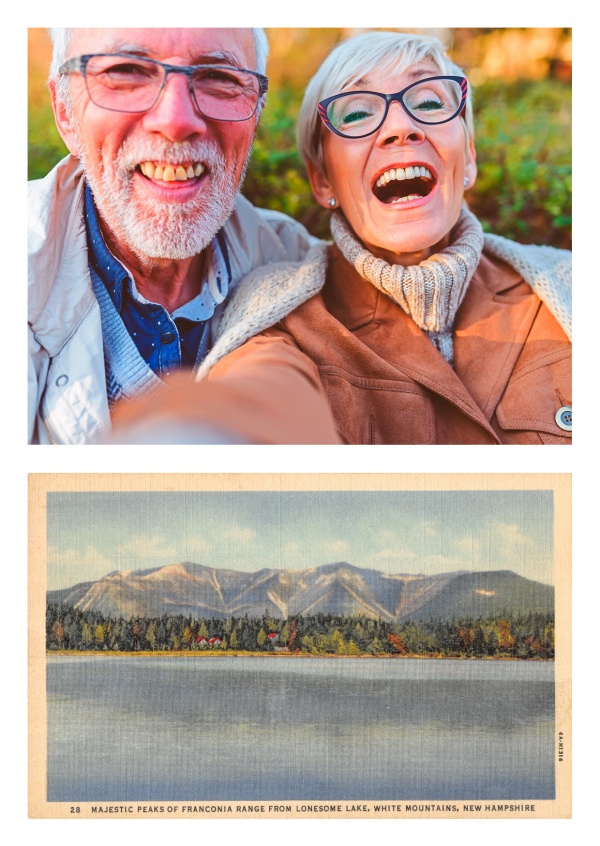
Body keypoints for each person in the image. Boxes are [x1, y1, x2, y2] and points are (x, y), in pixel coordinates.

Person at [193, 30, 571, 445]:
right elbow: (257, 403)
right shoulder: (278, 317)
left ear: (470, 158)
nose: (401, 127)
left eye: (429, 103)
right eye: (356, 114)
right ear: (322, 181)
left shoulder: (568, 286)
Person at [28, 27, 339, 444]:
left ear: (256, 113)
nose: (175, 121)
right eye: (126, 72)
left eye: (219, 78)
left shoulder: (299, 266)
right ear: (65, 111)